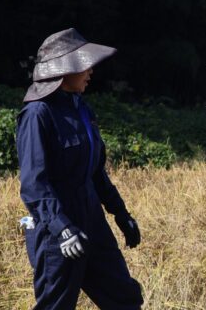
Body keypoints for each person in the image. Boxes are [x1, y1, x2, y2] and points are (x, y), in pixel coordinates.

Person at [16, 28, 144, 309]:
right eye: (84, 65)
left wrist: (121, 214)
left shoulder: (82, 110)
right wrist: (62, 228)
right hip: (57, 232)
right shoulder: (38, 114)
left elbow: (96, 172)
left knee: (125, 298)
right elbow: (34, 184)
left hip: (92, 222)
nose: (91, 71)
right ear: (64, 70)